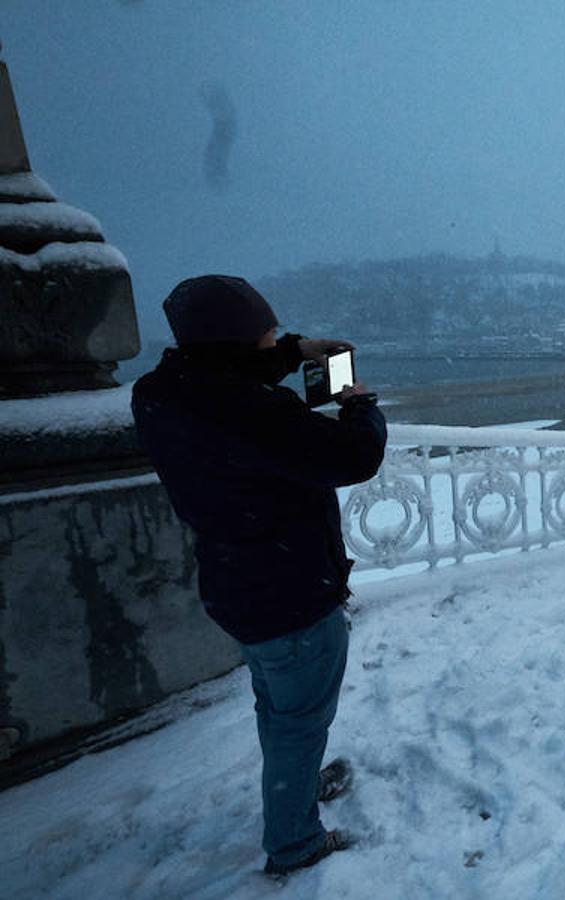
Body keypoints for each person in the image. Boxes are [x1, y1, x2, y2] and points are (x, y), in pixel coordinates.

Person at [131, 275, 387, 876]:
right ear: (238, 341)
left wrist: (296, 349)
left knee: (278, 707)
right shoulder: (249, 410)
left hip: (236, 583)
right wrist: (360, 406)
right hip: (292, 592)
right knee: (299, 717)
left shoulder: (160, 392)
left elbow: (227, 378)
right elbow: (353, 456)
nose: (275, 340)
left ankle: (293, 786)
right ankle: (295, 841)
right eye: (267, 333)